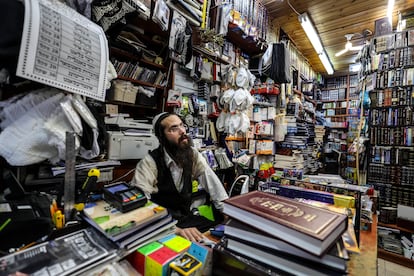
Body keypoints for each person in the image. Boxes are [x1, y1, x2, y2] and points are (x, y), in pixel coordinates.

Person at [131, 112, 229, 242]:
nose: (182, 131)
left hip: (185, 218)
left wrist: (228, 213)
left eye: (182, 125)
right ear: (161, 137)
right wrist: (176, 230)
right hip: (160, 225)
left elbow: (214, 187)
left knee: (218, 235)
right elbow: (139, 209)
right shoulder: (149, 163)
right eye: (174, 128)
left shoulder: (192, 155)